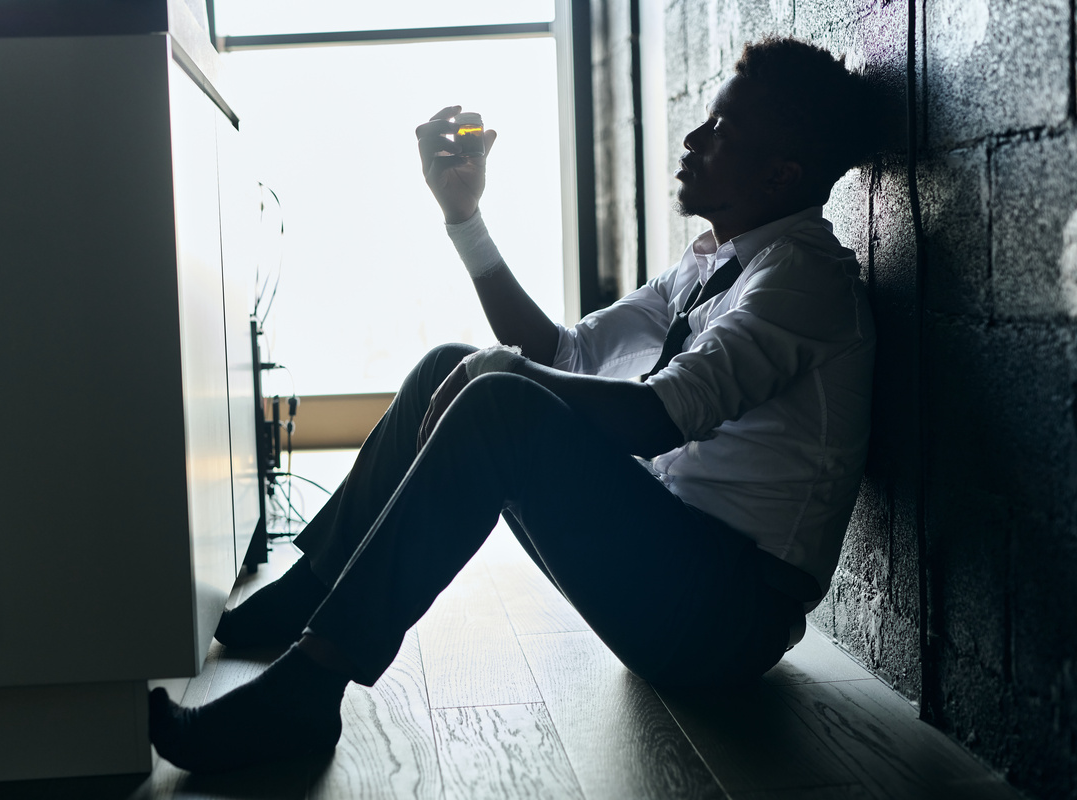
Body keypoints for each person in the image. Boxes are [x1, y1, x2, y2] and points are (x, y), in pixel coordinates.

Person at [149, 35, 881, 773]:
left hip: (725, 621)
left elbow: (662, 417)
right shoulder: (714, 263)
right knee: (454, 365)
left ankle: (308, 689)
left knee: (499, 396)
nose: (692, 139)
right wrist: (464, 217)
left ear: (781, 173)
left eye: (720, 133)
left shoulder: (802, 279)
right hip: (676, 571)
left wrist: (500, 377)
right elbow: (561, 351)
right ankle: (314, 591)